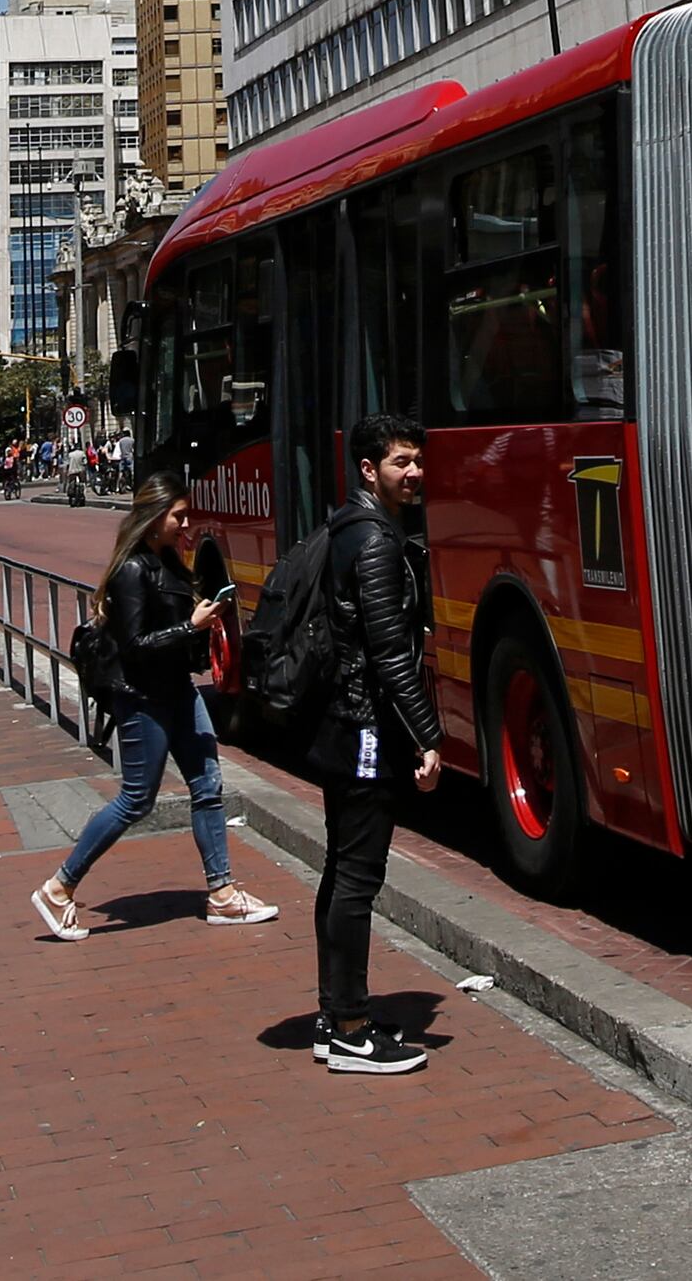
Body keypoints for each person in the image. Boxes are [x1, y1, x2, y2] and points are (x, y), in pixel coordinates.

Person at [31, 485, 277, 938]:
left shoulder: (168, 563)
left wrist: (203, 627)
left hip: (178, 691)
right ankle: (58, 887)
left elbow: (172, 637)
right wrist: (191, 625)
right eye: (178, 517)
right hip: (144, 697)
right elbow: (136, 646)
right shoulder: (131, 570)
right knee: (137, 799)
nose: (186, 525)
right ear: (154, 516)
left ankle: (222, 894)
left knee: (207, 785)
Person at [302, 414, 445, 1074]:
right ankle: (353, 1030)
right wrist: (426, 736)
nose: (413, 472)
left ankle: (339, 1015)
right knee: (357, 876)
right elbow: (391, 653)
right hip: (363, 727)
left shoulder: (350, 526)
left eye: (417, 460)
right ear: (368, 469)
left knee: (342, 870)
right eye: (399, 462)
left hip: (343, 720)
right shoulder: (377, 541)